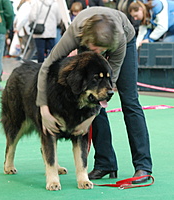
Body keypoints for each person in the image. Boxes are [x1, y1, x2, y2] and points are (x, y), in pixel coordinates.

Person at [36, 6, 152, 184]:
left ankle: (143, 166)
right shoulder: (76, 32)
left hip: (124, 38)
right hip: (88, 38)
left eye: (103, 49)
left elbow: (109, 85)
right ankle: (105, 163)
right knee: (89, 97)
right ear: (87, 41)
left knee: (130, 101)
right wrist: (43, 108)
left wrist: (88, 120)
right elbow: (46, 67)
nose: (100, 53)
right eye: (96, 49)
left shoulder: (119, 40)